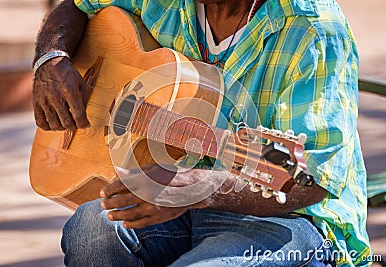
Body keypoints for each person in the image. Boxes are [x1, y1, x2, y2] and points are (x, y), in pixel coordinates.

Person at [32, 0, 371, 266]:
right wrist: (50, 58)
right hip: (179, 205)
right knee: (91, 229)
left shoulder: (312, 28)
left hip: (288, 220)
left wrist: (194, 187)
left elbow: (308, 179)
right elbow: (76, 5)